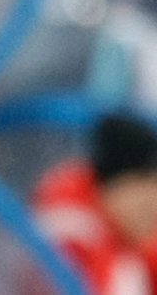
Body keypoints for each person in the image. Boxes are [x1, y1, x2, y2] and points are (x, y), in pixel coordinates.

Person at [29, 113, 157, 295]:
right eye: (146, 201)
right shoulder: (70, 236)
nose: (154, 210)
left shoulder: (126, 240)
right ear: (111, 187)